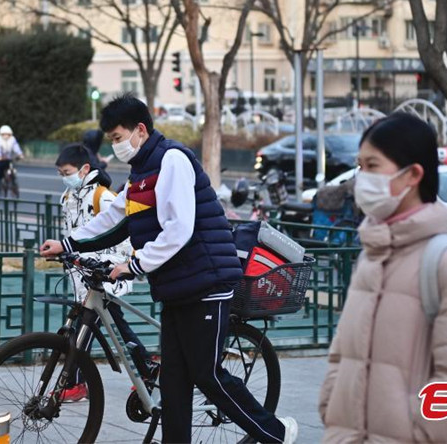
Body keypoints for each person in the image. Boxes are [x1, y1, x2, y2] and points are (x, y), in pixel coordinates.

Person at [41, 94, 298, 443]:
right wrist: (67, 244)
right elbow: (116, 218)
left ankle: (277, 434)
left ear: (140, 130)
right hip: (178, 285)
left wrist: (133, 265)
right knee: (174, 382)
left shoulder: (172, 159)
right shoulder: (141, 171)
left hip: (208, 281)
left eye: (118, 138)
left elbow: (179, 229)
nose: (115, 146)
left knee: (207, 375)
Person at [318, 113, 447, 442]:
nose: (361, 178)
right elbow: (343, 351)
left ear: (413, 174)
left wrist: (421, 433)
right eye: (360, 166)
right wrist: (331, 408)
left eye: (372, 166)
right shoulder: (371, 255)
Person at [55, 142, 155, 401]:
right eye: (61, 173)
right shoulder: (68, 198)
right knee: (117, 327)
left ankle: (74, 383)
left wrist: (114, 268)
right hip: (83, 276)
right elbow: (73, 234)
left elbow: (123, 236)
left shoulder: (104, 197)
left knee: (84, 327)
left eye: (67, 172)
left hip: (105, 277)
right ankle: (146, 369)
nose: (64, 178)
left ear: (84, 168)